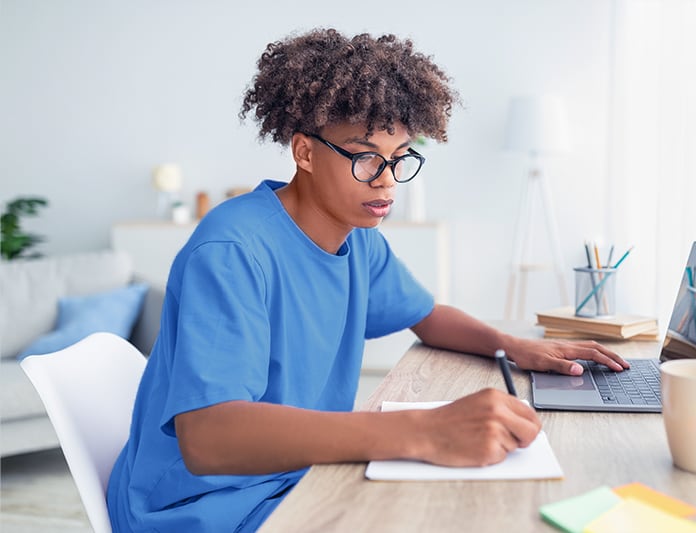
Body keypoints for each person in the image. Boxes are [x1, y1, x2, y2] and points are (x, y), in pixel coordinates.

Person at [107, 28, 629, 533]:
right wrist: (422, 431)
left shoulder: (357, 238)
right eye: (364, 158)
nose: (385, 180)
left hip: (295, 476)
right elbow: (209, 440)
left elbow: (425, 315)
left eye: (399, 159)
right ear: (304, 152)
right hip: (207, 506)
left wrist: (513, 346)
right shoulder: (232, 252)